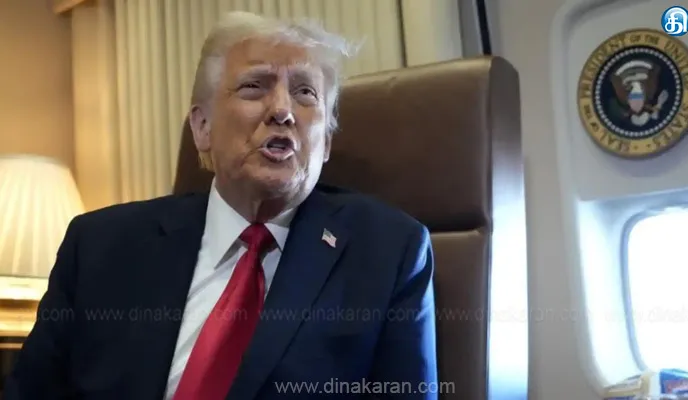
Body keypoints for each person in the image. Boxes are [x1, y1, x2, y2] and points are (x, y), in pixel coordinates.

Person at [5, 11, 438, 400]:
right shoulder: (100, 247)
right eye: (254, 86)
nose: (283, 110)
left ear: (325, 141)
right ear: (202, 127)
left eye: (305, 93)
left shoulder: (387, 253)